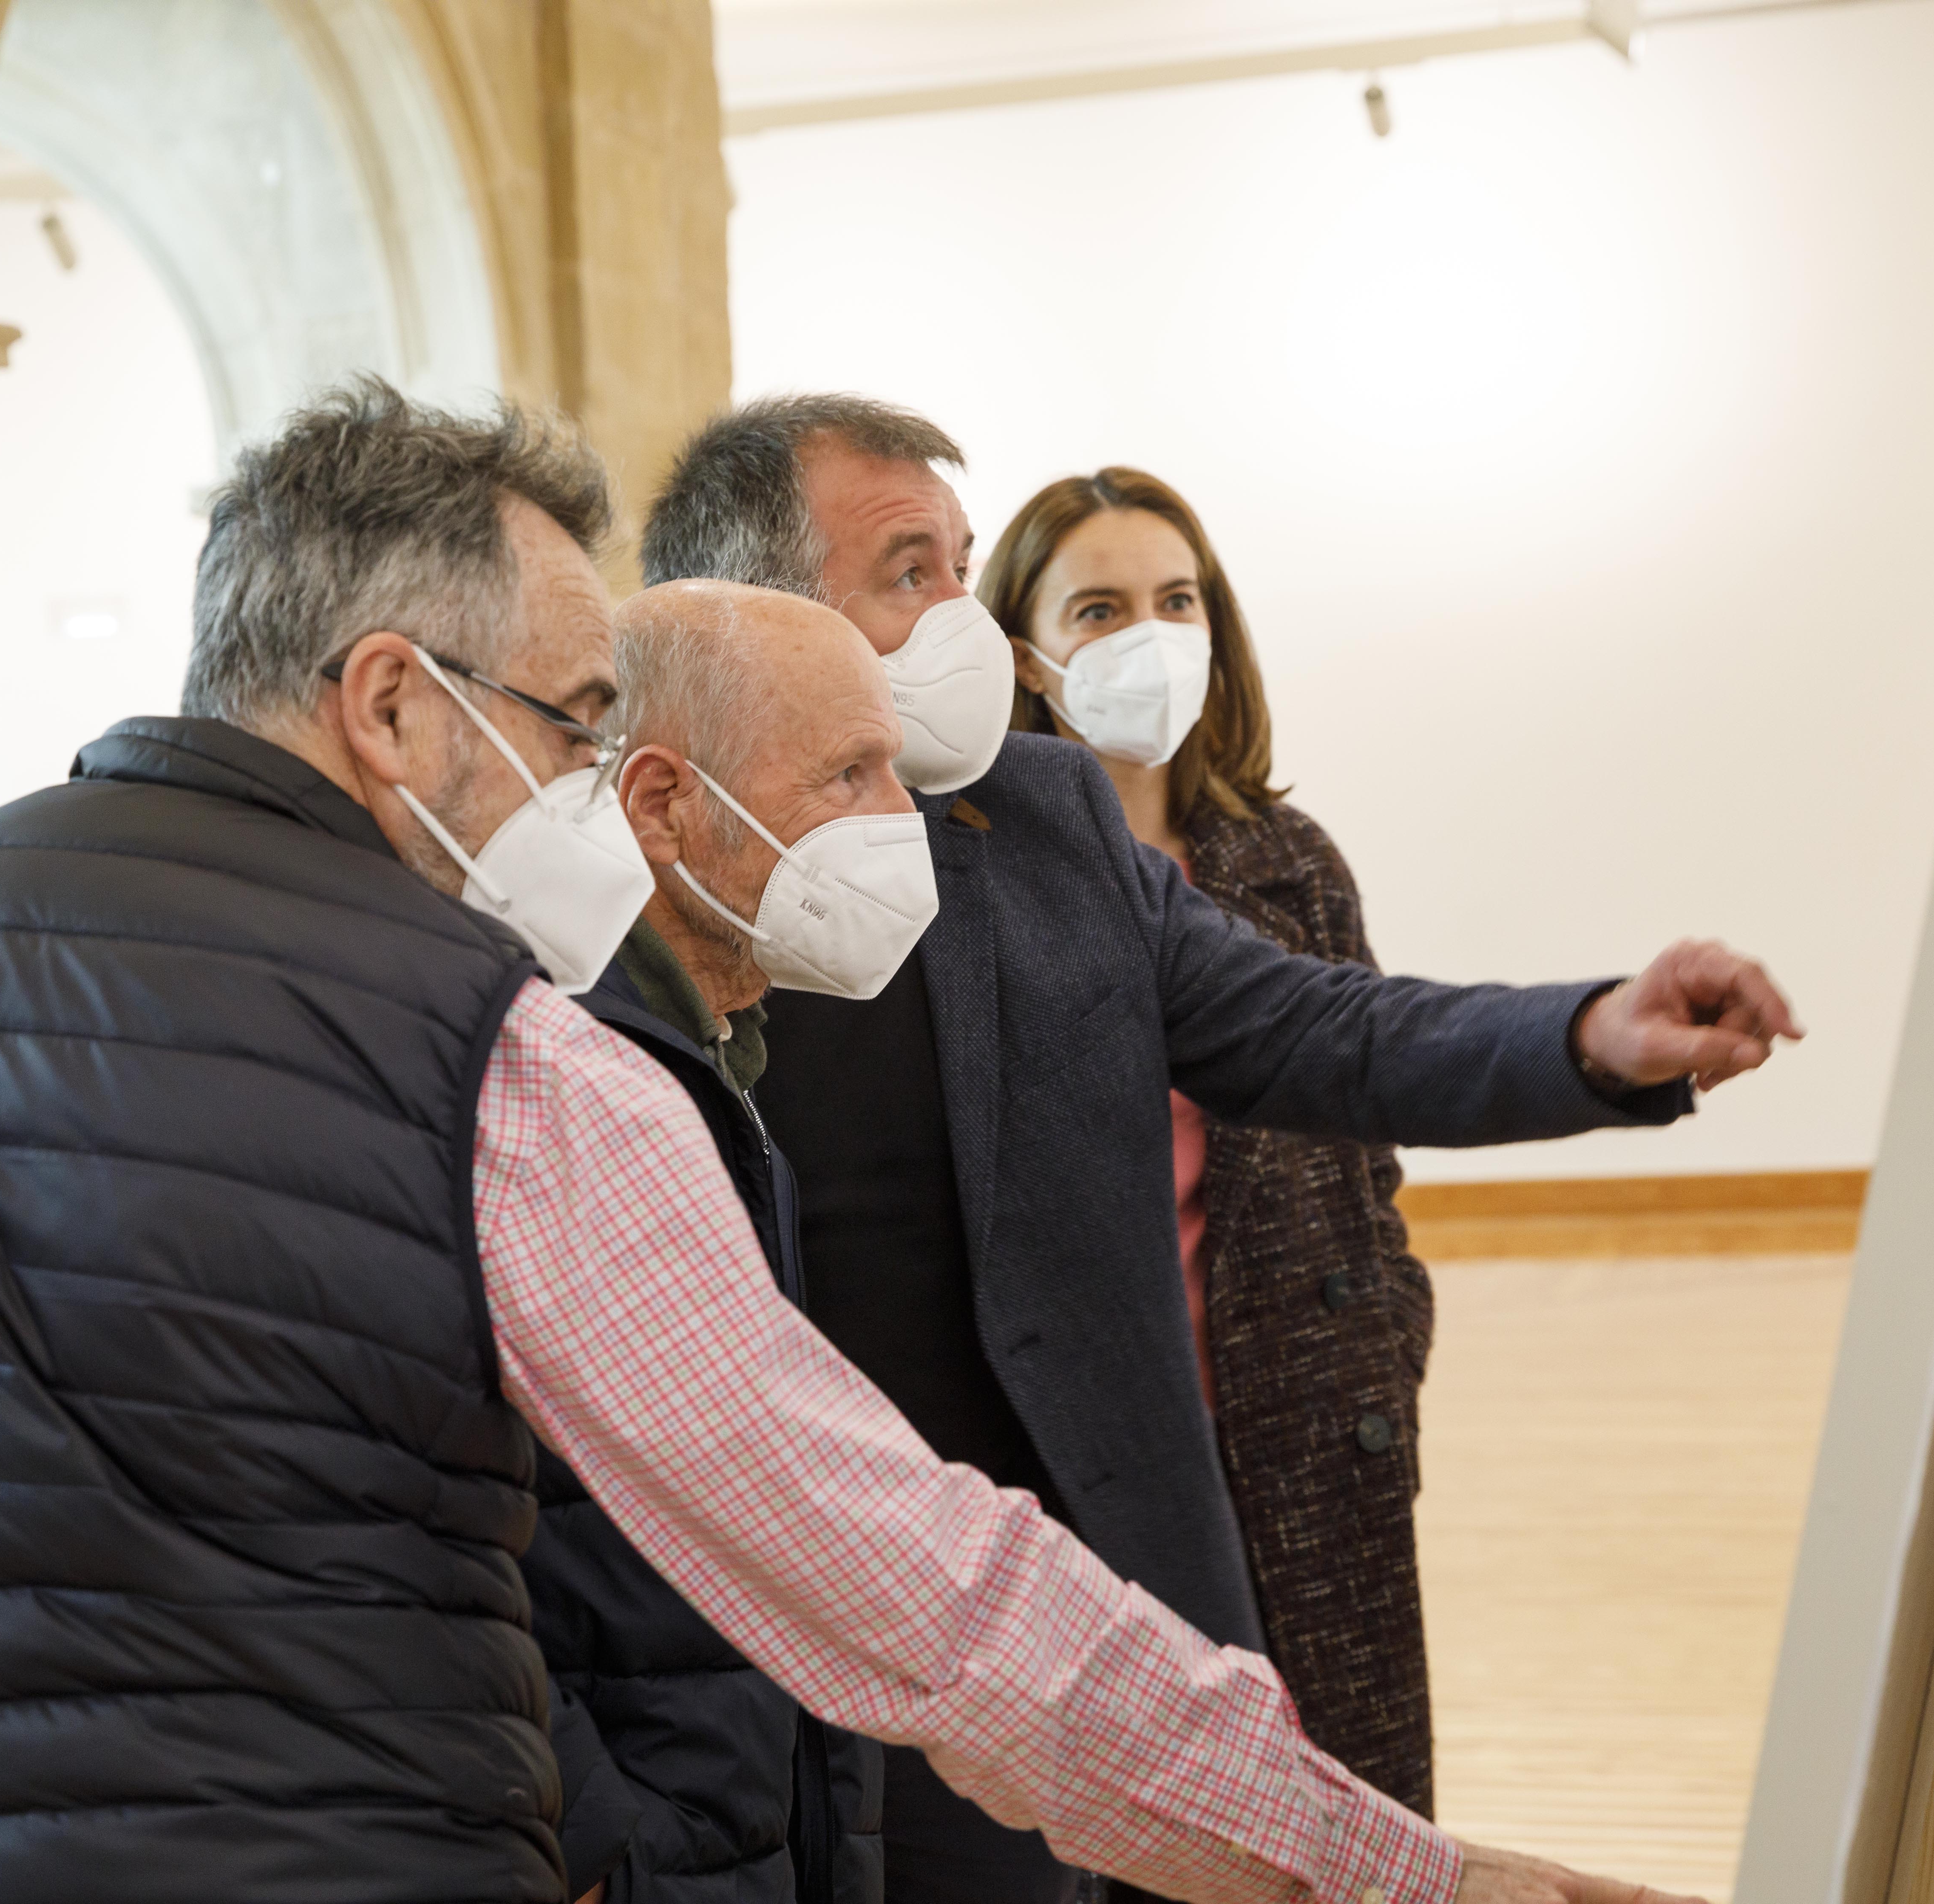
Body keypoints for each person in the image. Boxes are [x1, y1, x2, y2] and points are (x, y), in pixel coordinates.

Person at [0, 379, 1703, 1904]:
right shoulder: (496, 1056)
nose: (597, 787)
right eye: (569, 721)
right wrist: (1377, 1865)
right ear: (389, 698)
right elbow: (905, 1587)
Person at [638, 393, 1801, 1904]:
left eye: (960, 563)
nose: (960, 619)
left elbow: (1317, 1028)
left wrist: (1592, 1037)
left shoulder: (1042, 814)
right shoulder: (649, 898)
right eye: (908, 570)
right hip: (863, 1621)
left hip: (1130, 1566)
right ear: (762, 618)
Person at [981, 464, 1436, 1815]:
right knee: (1154, 1819)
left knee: (1347, 1808)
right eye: (1102, 609)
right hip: (1101, 1442)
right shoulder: (983, 879)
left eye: (1178, 600)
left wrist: (1390, 1341)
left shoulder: (1288, 861)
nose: (1152, 638)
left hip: (1303, 1417)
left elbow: (1368, 1148)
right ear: (1029, 654)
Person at [531, 576, 919, 1904]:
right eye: (849, 774)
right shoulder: (567, 1079)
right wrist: (597, 1835)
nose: (899, 822)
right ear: (659, 803)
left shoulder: (721, 1056)